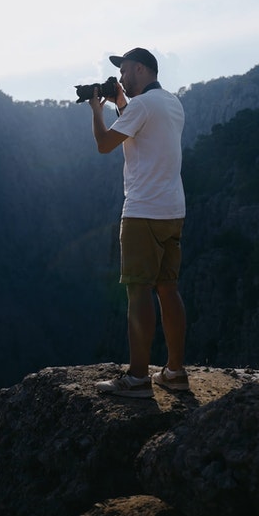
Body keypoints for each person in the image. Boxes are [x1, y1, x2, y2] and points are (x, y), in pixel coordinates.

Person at [88, 47, 189, 396]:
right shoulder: (171, 103)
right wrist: (119, 103)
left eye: (127, 71)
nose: (122, 78)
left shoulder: (144, 106)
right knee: (168, 288)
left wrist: (95, 111)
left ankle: (137, 378)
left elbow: (104, 144)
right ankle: (175, 371)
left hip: (142, 211)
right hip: (172, 210)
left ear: (143, 70)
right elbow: (142, 131)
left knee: (138, 291)